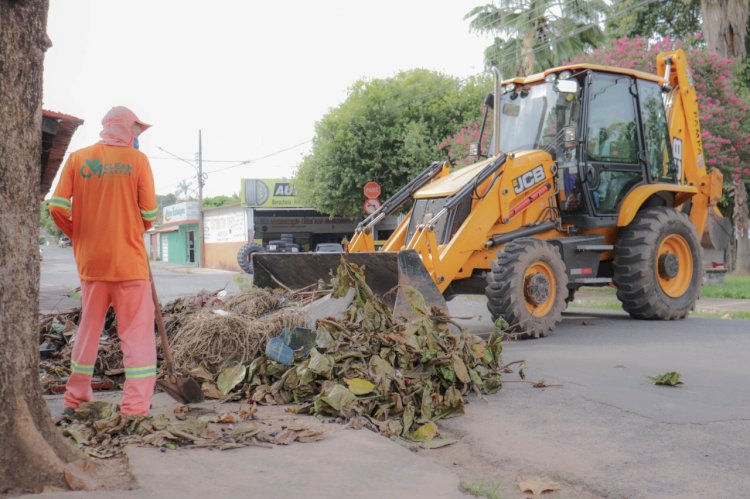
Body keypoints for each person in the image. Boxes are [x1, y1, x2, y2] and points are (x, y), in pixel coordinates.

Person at [49, 106, 158, 416]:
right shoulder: (138, 161)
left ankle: (75, 399)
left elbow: (56, 206)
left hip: (92, 264)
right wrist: (132, 228)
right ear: (128, 129)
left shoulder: (78, 159)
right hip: (130, 265)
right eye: (137, 131)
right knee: (136, 336)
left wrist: (79, 233)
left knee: (88, 331)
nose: (138, 137)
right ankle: (135, 408)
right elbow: (149, 213)